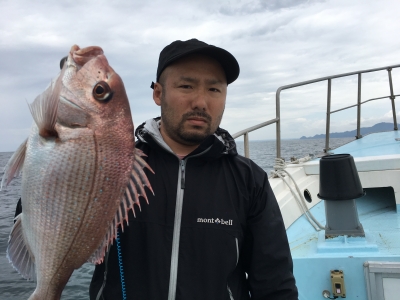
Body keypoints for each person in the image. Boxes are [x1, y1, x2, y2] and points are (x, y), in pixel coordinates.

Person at [89, 38, 298, 299]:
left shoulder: (250, 181)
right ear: (158, 93)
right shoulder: (111, 167)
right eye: (186, 86)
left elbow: (275, 283)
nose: (201, 102)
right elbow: (48, 221)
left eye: (214, 90)